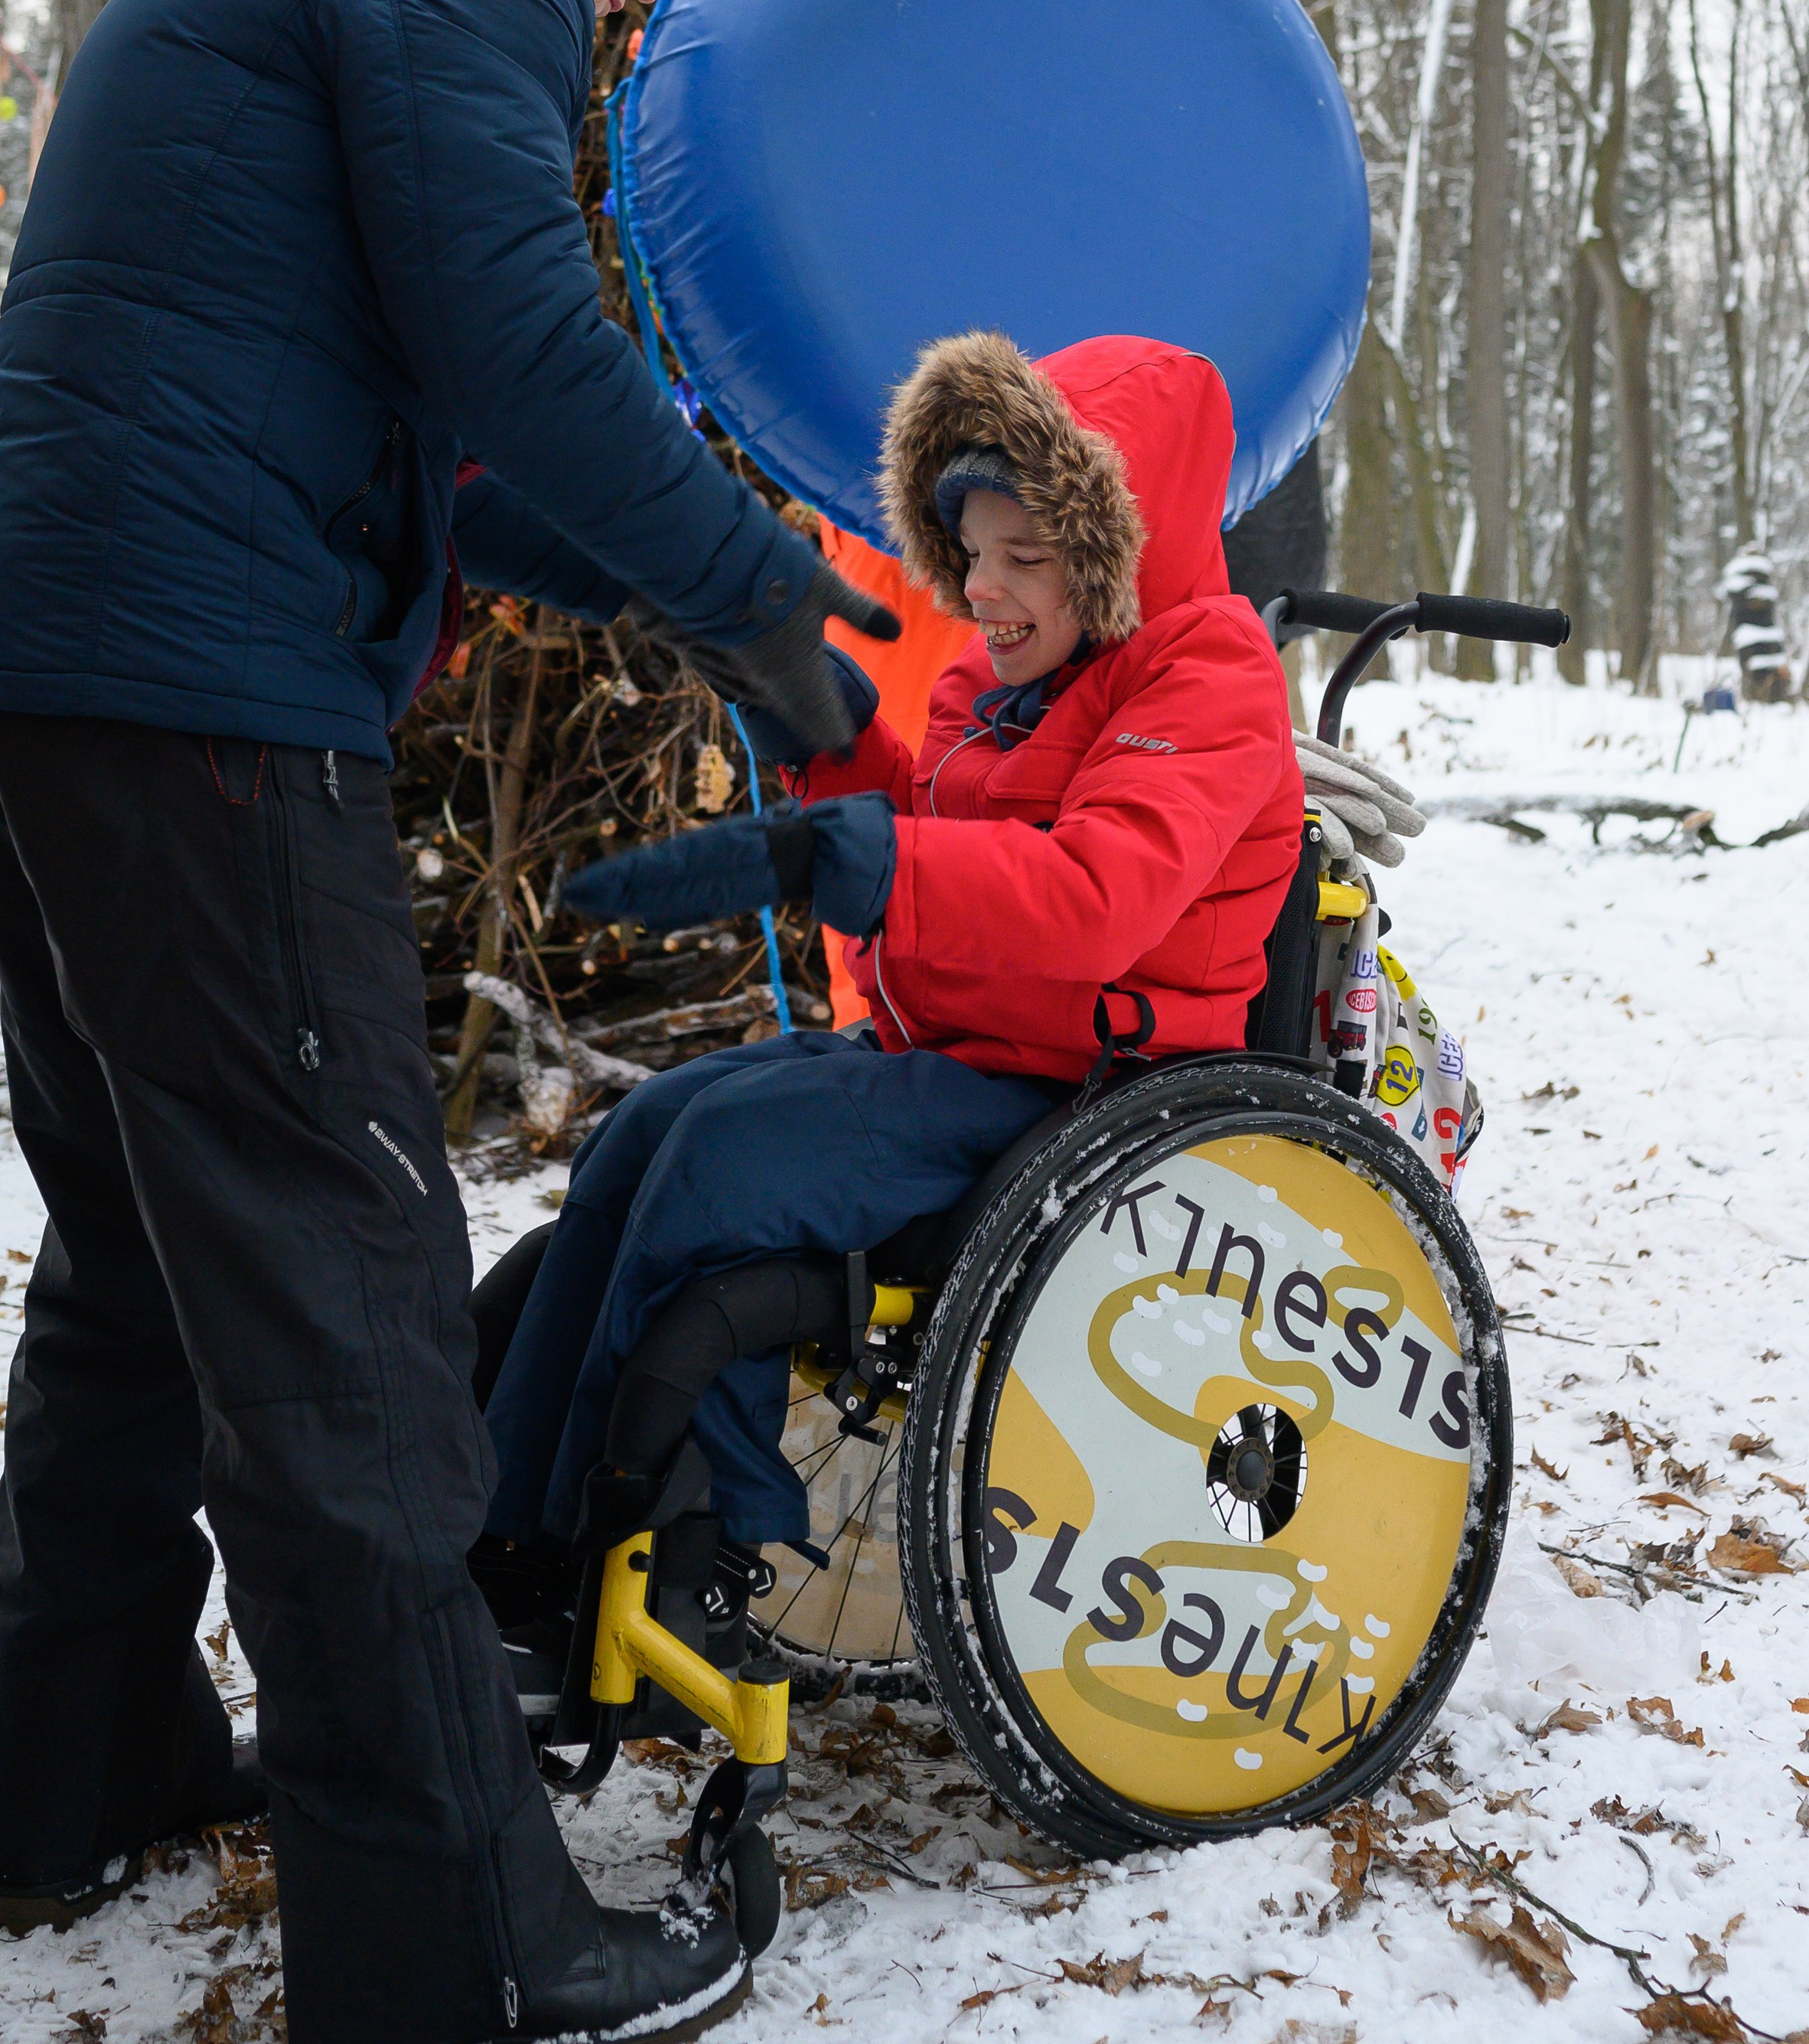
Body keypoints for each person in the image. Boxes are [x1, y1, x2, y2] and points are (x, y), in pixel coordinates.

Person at [0, 0, 897, 2044]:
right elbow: (525, 339)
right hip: (207, 685)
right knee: (341, 1272)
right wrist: (763, 609)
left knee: (145, 1246)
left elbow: (458, 448)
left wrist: (706, 561)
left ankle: (87, 1768)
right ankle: (452, 1934)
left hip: (50, 660)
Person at [475, 331, 1305, 1625]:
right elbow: (919, 824)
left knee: (727, 1165)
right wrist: (819, 725)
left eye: (1029, 557)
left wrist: (864, 857)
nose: (987, 589)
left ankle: (645, 1549)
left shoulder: (1209, 676)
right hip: (958, 1052)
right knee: (645, 1129)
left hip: (1086, 1094)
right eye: (971, 552)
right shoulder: (998, 669)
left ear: (1116, 553)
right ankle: (495, 1513)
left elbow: (1096, 896)